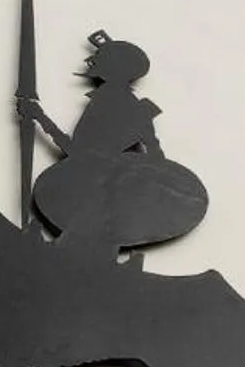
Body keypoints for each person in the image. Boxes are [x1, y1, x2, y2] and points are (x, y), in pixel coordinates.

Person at [19, 31, 208, 263]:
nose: (92, 62)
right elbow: (155, 153)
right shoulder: (131, 106)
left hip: (98, 196)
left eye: (101, 58)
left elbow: (78, 153)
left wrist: (39, 116)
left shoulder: (109, 103)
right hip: (110, 196)